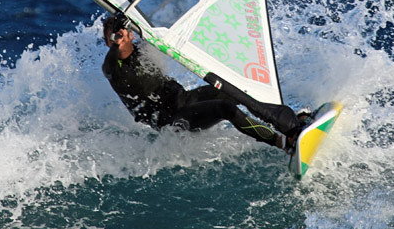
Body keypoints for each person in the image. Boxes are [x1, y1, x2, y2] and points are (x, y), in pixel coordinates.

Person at [101, 15, 310, 153]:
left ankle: (291, 125)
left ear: (130, 33)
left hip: (184, 101)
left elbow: (163, 19)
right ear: (108, 41)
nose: (120, 39)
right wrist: (117, 42)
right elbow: (117, 54)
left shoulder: (142, 47)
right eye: (114, 36)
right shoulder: (112, 67)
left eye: (123, 34)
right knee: (224, 108)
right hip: (172, 122)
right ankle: (282, 144)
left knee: (235, 89)